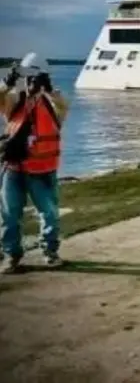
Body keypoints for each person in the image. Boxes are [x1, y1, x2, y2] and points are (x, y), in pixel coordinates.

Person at [1, 55, 70, 273]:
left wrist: (48, 89)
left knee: (48, 214)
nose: (31, 84)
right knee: (10, 215)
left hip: (42, 171)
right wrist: (7, 82)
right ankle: (11, 255)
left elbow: (63, 105)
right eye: (27, 79)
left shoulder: (54, 105)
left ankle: (50, 252)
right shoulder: (14, 101)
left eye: (35, 79)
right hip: (14, 169)